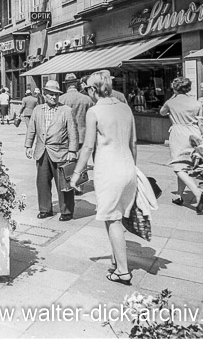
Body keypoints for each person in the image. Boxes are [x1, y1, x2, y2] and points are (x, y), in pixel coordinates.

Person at [70, 71, 138, 286]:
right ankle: (117, 260)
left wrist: (76, 173)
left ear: (92, 90)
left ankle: (123, 271)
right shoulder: (124, 107)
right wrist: (134, 168)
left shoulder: (95, 111)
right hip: (128, 166)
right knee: (118, 215)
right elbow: (133, 144)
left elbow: (88, 146)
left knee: (113, 219)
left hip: (108, 168)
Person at [25, 80, 79, 221]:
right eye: (50, 94)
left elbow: (73, 132)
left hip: (61, 152)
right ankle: (45, 209)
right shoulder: (38, 110)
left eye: (56, 95)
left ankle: (66, 211)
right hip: (42, 151)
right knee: (42, 182)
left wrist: (72, 151)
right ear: (44, 94)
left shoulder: (66, 111)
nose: (54, 97)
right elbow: (31, 129)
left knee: (63, 183)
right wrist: (28, 146)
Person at [159, 77, 203, 212]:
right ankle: (180, 196)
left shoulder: (171, 102)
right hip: (194, 133)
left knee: (178, 166)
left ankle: (197, 193)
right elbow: (201, 121)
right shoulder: (196, 103)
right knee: (185, 166)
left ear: (174, 88)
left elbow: (162, 112)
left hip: (179, 133)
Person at [59, 73, 94, 150]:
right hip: (83, 137)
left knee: (68, 161)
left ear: (66, 85)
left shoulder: (61, 99)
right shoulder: (87, 99)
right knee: (82, 160)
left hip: (66, 138)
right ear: (76, 84)